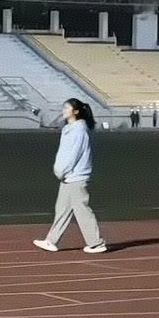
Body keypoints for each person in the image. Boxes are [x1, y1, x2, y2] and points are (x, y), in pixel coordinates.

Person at [34, 98, 107, 254]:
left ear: (76, 111)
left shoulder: (78, 131)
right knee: (62, 209)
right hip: (68, 177)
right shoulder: (69, 129)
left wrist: (61, 170)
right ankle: (51, 241)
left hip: (75, 177)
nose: (64, 110)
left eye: (67, 108)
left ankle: (96, 243)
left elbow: (73, 155)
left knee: (82, 210)